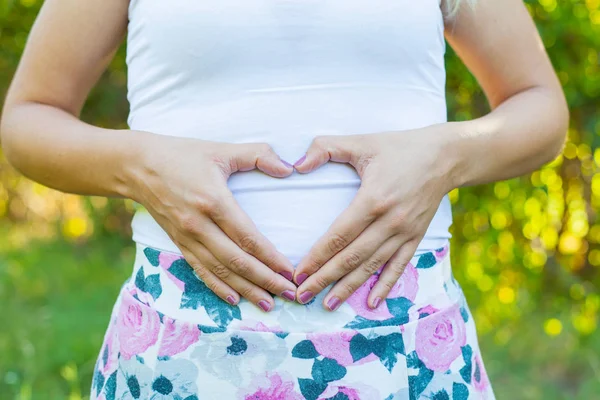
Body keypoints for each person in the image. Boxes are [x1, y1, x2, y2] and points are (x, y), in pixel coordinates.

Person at [0, 0, 568, 398]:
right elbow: (30, 118)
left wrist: (444, 156)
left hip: (407, 354)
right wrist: (141, 165)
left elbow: (538, 106)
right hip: (183, 356)